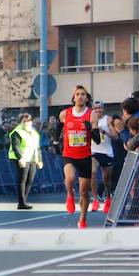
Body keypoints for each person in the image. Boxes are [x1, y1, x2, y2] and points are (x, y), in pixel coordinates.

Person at [60, 85, 93, 228]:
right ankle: (70, 194)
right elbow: (58, 130)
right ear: (73, 98)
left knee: (84, 192)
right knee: (70, 178)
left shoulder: (92, 115)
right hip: (69, 154)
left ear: (87, 98)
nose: (80, 96)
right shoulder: (65, 114)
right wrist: (56, 142)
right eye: (77, 94)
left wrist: (91, 129)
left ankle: (82, 219)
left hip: (85, 156)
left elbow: (96, 138)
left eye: (83, 94)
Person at [8, 113, 42, 210]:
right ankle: (21, 202)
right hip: (22, 158)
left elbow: (37, 148)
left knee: (30, 180)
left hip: (32, 158)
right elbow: (16, 146)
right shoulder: (17, 132)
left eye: (28, 121)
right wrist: (20, 158)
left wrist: (39, 160)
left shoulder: (34, 133)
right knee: (22, 180)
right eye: (24, 121)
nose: (26, 123)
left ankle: (24, 201)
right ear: (21, 122)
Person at [89, 100, 116, 214]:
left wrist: (104, 132)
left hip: (107, 152)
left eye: (99, 108)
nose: (97, 110)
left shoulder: (108, 119)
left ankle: (108, 197)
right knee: (92, 172)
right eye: (95, 108)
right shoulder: (90, 121)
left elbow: (115, 136)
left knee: (106, 179)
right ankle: (95, 200)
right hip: (94, 151)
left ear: (103, 109)